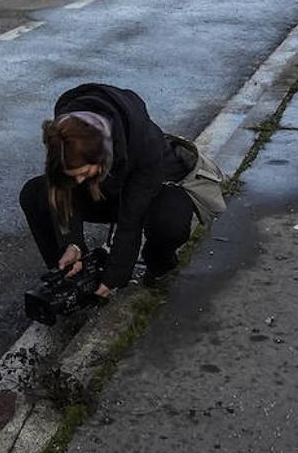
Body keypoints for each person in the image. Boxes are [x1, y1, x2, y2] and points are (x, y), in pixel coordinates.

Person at [18, 83, 194, 296]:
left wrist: (115, 276)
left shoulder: (145, 141)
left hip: (151, 193)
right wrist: (72, 243)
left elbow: (132, 218)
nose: (79, 180)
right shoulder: (64, 134)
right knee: (34, 194)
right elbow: (63, 189)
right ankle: (70, 278)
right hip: (106, 192)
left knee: (170, 222)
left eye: (84, 173)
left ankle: (159, 266)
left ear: (102, 156)